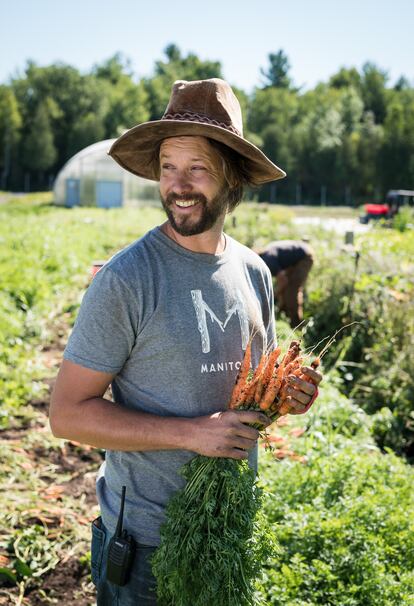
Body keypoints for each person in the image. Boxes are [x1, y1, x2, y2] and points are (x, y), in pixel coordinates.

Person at [49, 78, 322, 605]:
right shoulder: (128, 278)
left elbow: (243, 397)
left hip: (227, 528)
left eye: (197, 167)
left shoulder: (254, 272)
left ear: (233, 176)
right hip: (145, 544)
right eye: (168, 167)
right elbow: (67, 414)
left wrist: (285, 398)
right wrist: (192, 434)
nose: (179, 185)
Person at [257, 240, 314, 328]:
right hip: (296, 256)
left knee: (291, 292)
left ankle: (297, 326)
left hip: (304, 257)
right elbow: (282, 280)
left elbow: (283, 281)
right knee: (285, 291)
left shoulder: (267, 260)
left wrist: (274, 295)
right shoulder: (265, 256)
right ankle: (284, 317)